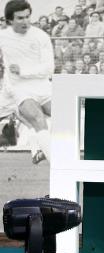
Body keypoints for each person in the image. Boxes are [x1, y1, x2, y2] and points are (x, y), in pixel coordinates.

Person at [0, 0, 53, 164]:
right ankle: (56, 164)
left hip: (43, 87)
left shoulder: (40, 36)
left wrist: (23, 71)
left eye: (28, 17)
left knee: (64, 118)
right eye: (20, 18)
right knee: (36, 118)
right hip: (18, 90)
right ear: (9, 20)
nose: (26, 21)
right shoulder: (3, 37)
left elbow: (49, 67)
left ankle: (41, 150)